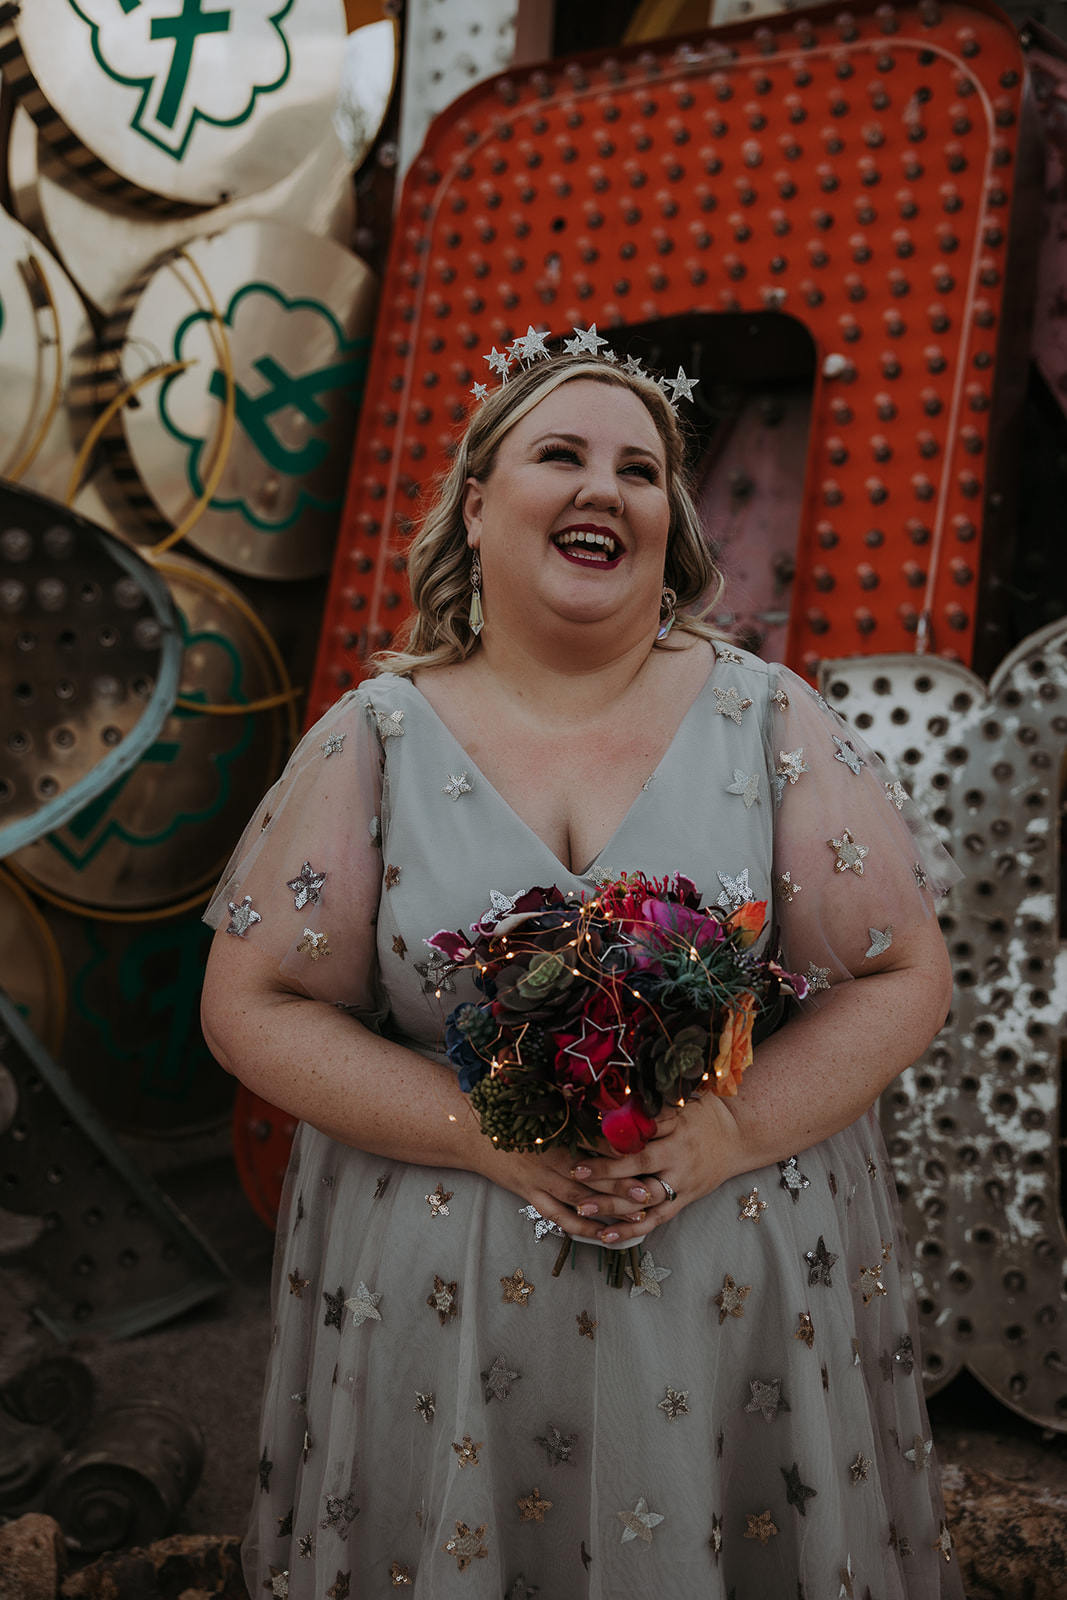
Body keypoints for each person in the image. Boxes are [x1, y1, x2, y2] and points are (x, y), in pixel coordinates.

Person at [201, 346, 964, 1600]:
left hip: (736, 1325)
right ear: (475, 502)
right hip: (442, 1323)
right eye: (560, 455)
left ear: (671, 524)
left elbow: (900, 978)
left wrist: (729, 1129)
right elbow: (249, 1005)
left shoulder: (768, 718)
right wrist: (481, 1134)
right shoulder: (374, 740)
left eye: (642, 469)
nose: (603, 488)